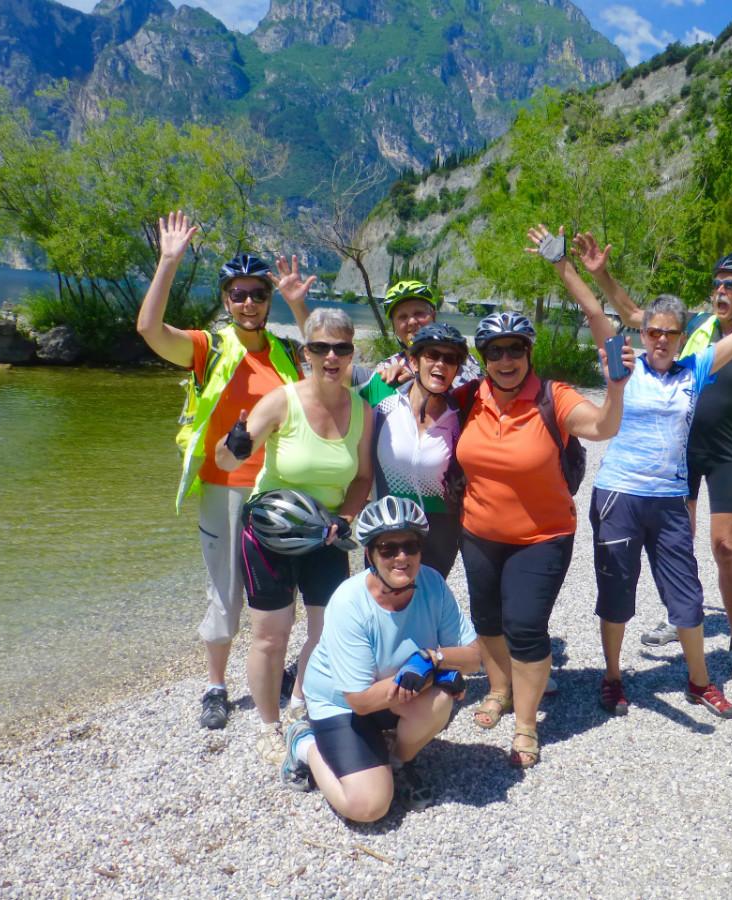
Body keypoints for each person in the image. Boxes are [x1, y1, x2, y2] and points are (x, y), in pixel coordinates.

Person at [528, 225, 732, 719]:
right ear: (642, 334)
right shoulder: (624, 363)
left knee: (686, 594)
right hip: (618, 495)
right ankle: (613, 677)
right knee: (616, 591)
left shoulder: (694, 370)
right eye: (652, 331)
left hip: (669, 500)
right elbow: (595, 311)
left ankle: (700, 681)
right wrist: (561, 264)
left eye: (669, 333)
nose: (659, 339)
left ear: (682, 338)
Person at [136, 210, 309, 731]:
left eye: (258, 294)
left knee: (278, 589)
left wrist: (300, 305)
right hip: (224, 487)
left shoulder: (286, 353)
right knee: (225, 591)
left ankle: (272, 670)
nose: (249, 302)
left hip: (277, 486)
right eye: (238, 295)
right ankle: (215, 685)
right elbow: (148, 329)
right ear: (226, 300)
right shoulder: (207, 347)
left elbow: (330, 361)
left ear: (269, 299)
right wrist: (168, 262)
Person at [456, 309, 633, 767]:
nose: (506, 360)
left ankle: (526, 723)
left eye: (515, 349)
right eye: (496, 351)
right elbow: (416, 400)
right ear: (484, 358)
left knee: (525, 626)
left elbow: (603, 427)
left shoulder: (554, 396)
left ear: (529, 353)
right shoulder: (469, 397)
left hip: (542, 536)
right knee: (487, 619)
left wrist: (615, 387)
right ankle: (500, 689)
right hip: (477, 532)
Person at [214, 307, 373, 764]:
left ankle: (300, 700)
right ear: (306, 353)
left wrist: (346, 516)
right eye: (320, 347)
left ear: (351, 354)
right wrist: (233, 443)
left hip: (326, 533)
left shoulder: (362, 412)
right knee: (271, 636)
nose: (331, 357)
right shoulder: (281, 401)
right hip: (271, 532)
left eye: (341, 348)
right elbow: (226, 460)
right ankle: (269, 725)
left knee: (325, 630)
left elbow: (363, 477)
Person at [282, 497, 481, 822]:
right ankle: (304, 743)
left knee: (440, 701)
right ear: (370, 554)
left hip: (388, 694)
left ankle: (398, 762)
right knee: (368, 807)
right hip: (341, 703)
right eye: (388, 549)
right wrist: (431, 674)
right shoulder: (349, 602)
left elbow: (474, 658)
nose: (402, 557)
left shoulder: (432, 583)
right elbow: (360, 701)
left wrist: (433, 658)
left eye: (411, 546)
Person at [360, 323, 469, 577]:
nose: (441, 364)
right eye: (432, 355)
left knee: (427, 597)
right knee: (382, 597)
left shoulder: (461, 416)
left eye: (450, 359)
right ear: (413, 361)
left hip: (440, 532)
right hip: (387, 524)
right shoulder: (382, 403)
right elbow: (333, 377)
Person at [373, 280, 482, 389]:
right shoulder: (385, 369)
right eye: (402, 317)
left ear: (433, 316)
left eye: (419, 313)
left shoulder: (464, 363)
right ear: (394, 327)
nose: (412, 321)